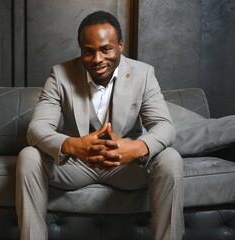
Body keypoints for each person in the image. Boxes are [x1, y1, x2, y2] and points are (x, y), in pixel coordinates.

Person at [16, 10, 184, 240]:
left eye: (106, 49)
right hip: (76, 165)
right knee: (29, 156)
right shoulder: (60, 75)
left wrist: (135, 148)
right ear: (81, 50)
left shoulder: (143, 74)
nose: (97, 59)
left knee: (170, 158)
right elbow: (37, 129)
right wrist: (73, 145)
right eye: (89, 51)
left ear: (120, 46)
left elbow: (164, 126)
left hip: (126, 166)